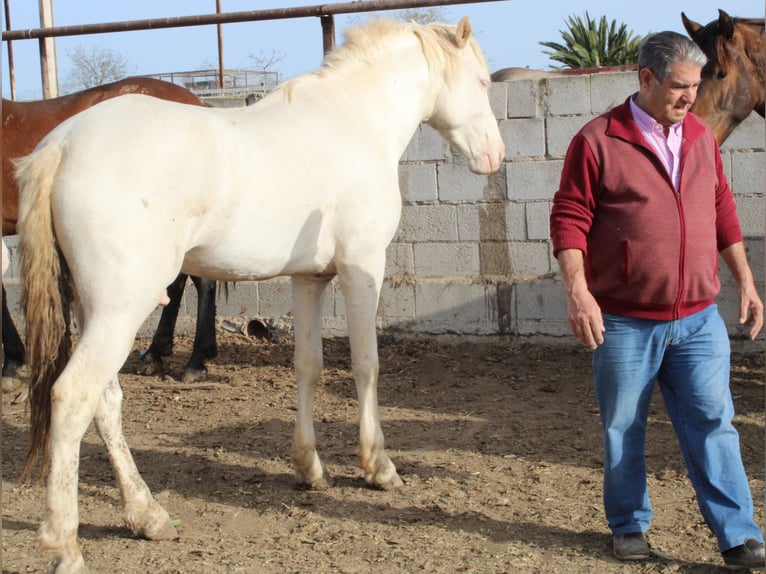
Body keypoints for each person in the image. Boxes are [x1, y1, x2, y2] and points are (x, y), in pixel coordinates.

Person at [549, 31, 764, 569]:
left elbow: (722, 210)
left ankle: (739, 536)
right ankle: (628, 526)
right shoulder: (598, 140)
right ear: (646, 79)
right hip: (623, 320)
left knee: (715, 422)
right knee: (624, 425)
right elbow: (569, 219)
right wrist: (578, 293)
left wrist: (747, 282)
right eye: (678, 86)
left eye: (695, 86)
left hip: (697, 319)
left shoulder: (699, 137)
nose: (690, 97)